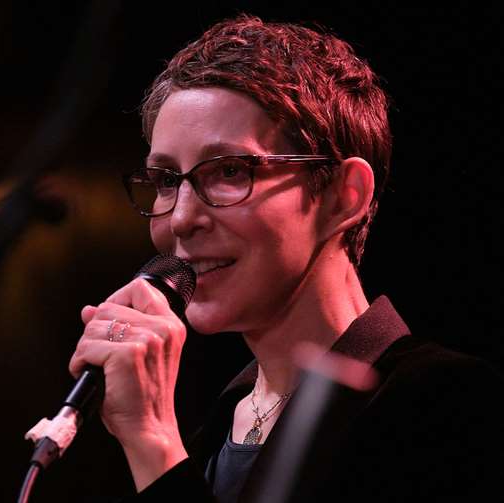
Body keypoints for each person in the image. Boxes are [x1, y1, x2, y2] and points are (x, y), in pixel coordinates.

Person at [69, 12, 501, 503]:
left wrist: (152, 441)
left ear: (344, 196)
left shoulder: (445, 402)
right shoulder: (225, 418)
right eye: (167, 180)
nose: (182, 218)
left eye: (230, 170)